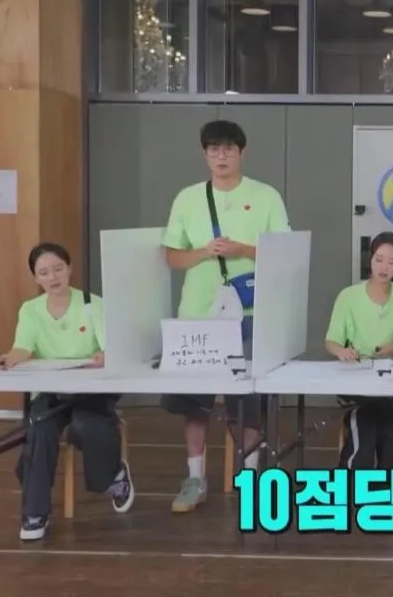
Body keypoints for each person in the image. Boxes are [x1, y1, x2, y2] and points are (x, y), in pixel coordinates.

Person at [160, 119, 290, 513]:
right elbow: (171, 256)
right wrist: (205, 252)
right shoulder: (187, 199)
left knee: (246, 401)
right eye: (214, 149)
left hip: (249, 313)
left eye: (228, 149)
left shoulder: (266, 196)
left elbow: (285, 253)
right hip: (197, 314)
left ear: (241, 153)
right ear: (204, 154)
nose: (221, 156)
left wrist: (243, 250)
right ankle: (195, 477)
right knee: (194, 403)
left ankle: (250, 477)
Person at [0, 243, 133, 541]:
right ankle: (35, 513)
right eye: (44, 273)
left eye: (58, 269)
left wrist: (104, 355)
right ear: (36, 278)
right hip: (50, 390)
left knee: (85, 424)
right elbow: (23, 347)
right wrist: (10, 358)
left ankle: (113, 475)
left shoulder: (92, 304)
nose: (53, 277)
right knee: (41, 428)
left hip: (92, 390)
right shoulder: (31, 310)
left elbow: (110, 348)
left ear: (70, 268)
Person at [325, 231, 393, 469]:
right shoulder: (348, 297)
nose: (384, 267)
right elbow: (331, 341)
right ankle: (357, 482)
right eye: (379, 259)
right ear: (369, 260)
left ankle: (380, 487)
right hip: (358, 383)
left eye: (392, 262)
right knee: (369, 428)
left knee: (387, 433)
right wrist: (342, 352)